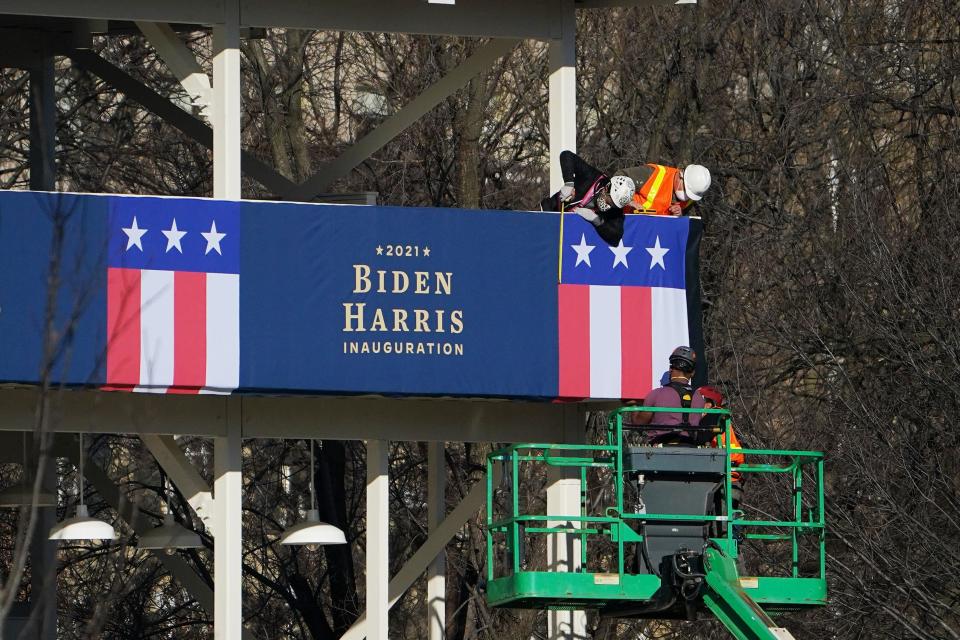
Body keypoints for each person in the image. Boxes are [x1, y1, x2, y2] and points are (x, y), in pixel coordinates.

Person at [540, 150, 635, 246]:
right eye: (609, 201)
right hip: (547, 214)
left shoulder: (615, 211)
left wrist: (596, 219)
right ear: (607, 188)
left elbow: (616, 238)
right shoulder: (591, 176)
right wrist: (569, 183)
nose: (608, 206)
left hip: (564, 237)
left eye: (613, 205)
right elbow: (566, 155)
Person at [629, 346, 705, 444]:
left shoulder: (656, 394)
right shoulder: (699, 398)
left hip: (659, 452)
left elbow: (638, 424)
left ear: (671, 369)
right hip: (690, 449)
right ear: (693, 373)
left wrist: (632, 405)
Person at [698, 385, 745, 538]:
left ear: (709, 403)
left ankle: (731, 557)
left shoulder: (715, 416)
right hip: (726, 477)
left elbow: (700, 438)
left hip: (728, 479)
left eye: (697, 401)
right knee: (718, 528)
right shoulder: (716, 418)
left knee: (722, 532)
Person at [616, 163, 711, 216]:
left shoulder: (692, 197)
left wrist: (678, 215)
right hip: (625, 221)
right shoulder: (653, 174)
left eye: (690, 194)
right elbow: (619, 177)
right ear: (680, 175)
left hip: (653, 236)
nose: (686, 196)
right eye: (685, 190)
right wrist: (630, 202)